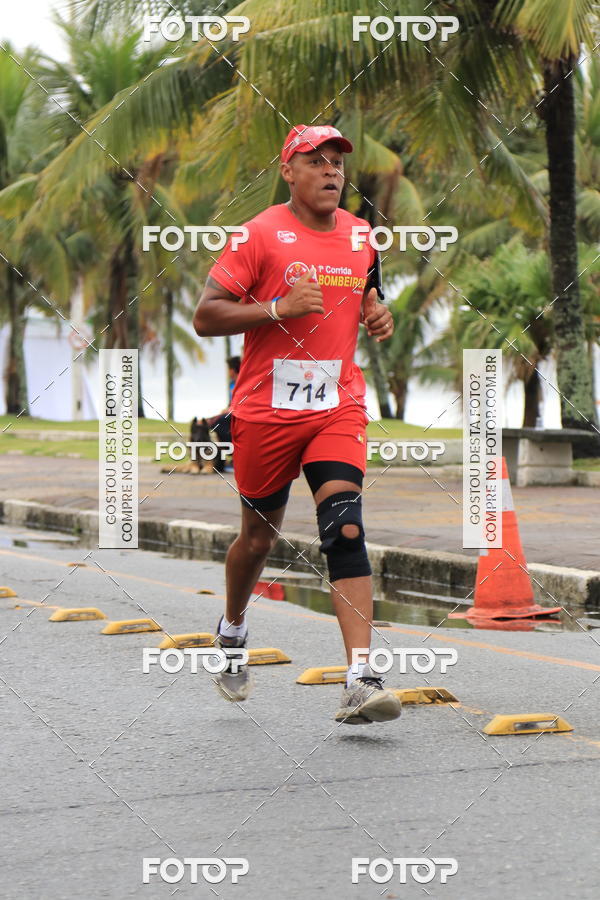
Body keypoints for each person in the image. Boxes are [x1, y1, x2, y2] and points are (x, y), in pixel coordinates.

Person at [193, 124, 401, 725]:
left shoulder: (362, 235)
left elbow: (368, 294)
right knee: (258, 539)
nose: (332, 171)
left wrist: (377, 313)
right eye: (317, 160)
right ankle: (232, 628)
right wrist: (277, 308)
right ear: (289, 170)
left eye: (337, 161)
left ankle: (360, 678)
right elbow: (207, 316)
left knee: (346, 529)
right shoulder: (257, 235)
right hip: (265, 412)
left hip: (336, 406)